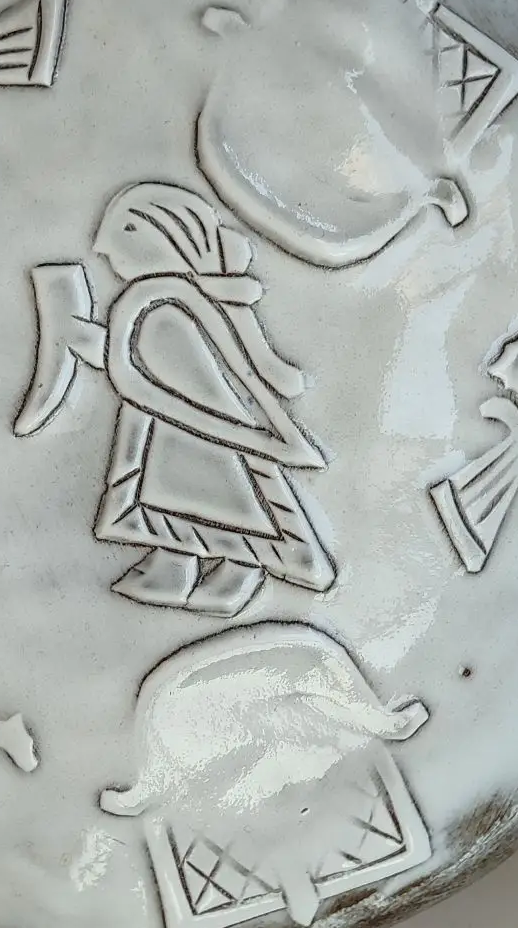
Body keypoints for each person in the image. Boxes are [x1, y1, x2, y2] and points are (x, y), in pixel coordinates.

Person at [89, 182, 336, 617]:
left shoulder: (177, 304)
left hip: (222, 438)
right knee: (171, 495)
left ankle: (240, 572)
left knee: (235, 504)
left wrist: (270, 399)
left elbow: (248, 363)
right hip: (169, 433)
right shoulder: (161, 302)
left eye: (126, 230)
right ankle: (173, 565)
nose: (103, 248)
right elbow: (130, 362)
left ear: (170, 236)